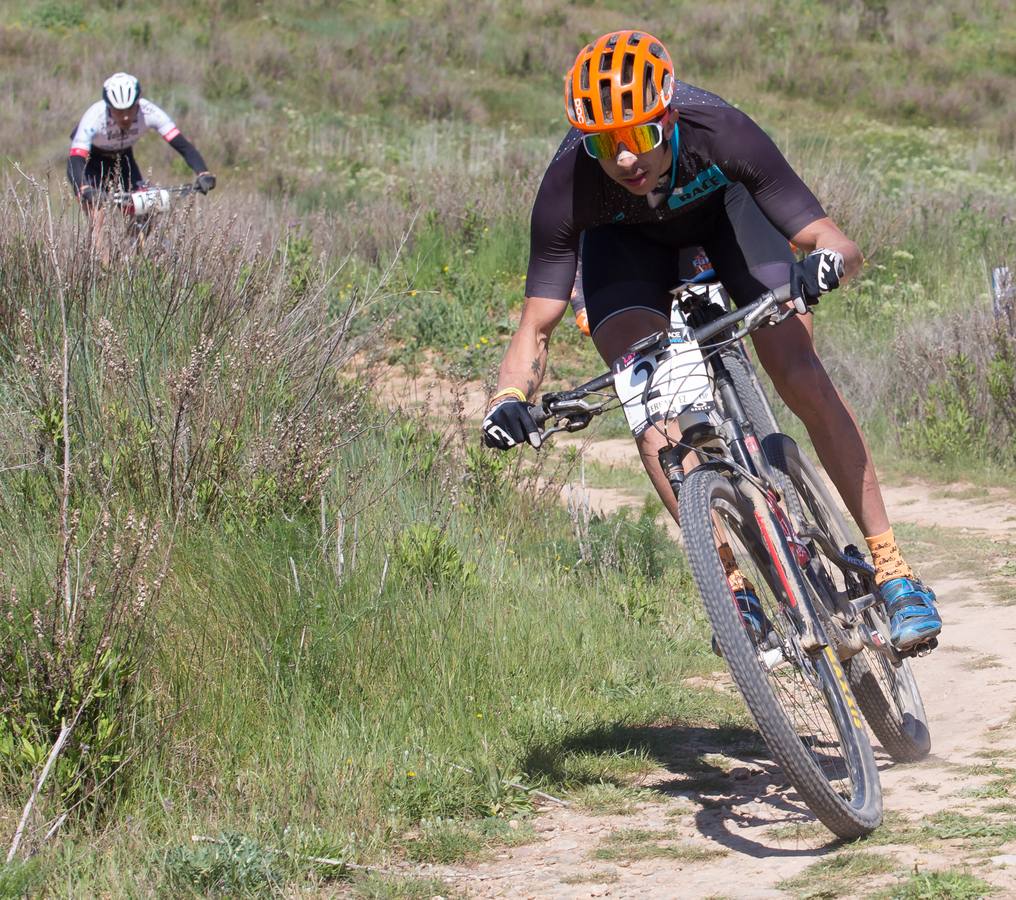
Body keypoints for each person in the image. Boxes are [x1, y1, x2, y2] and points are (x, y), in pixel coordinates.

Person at [481, 30, 941, 652]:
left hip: (728, 219)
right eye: (604, 144)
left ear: (668, 115)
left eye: (640, 134)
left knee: (796, 368)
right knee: (653, 411)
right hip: (624, 252)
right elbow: (536, 323)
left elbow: (838, 244)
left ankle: (892, 569)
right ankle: (733, 589)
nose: (623, 159)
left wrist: (825, 267)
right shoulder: (568, 182)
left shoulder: (720, 130)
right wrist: (509, 395)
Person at [67, 72, 217, 258]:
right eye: (118, 112)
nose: (126, 118)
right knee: (98, 216)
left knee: (144, 209)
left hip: (122, 159)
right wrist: (84, 186)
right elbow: (76, 159)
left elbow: (182, 145)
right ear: (108, 107)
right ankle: (102, 272)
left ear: (138, 103)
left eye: (130, 110)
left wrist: (203, 172)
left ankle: (131, 262)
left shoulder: (150, 112)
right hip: (89, 163)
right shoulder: (94, 116)